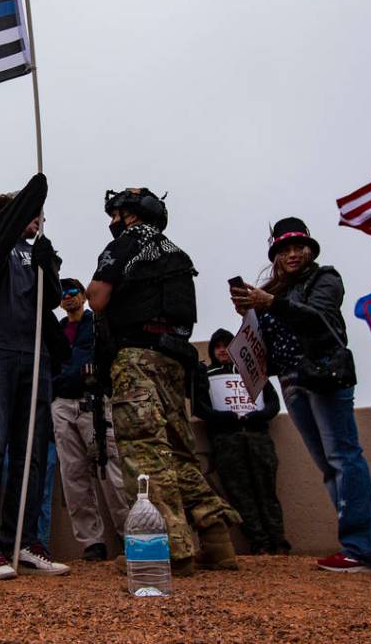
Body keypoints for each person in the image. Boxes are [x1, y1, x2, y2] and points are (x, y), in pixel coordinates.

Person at [87, 188, 241, 576]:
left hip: (135, 357)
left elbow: (98, 298)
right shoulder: (176, 253)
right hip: (173, 360)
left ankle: (170, 550)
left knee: (144, 450)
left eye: (117, 212)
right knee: (178, 450)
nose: (113, 219)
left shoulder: (127, 244)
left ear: (131, 215)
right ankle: (217, 539)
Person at [231, 216, 371, 573]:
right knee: (328, 465)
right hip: (292, 382)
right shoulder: (275, 292)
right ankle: (369, 540)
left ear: (309, 249)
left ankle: (364, 547)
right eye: (284, 249)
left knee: (344, 457)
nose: (291, 254)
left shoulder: (326, 278)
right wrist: (250, 314)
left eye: (297, 247)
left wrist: (269, 303)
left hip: (324, 375)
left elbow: (317, 317)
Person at [0, 173, 71, 580]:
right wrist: (33, 192)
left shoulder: (37, 248)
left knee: (32, 451)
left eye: (40, 215)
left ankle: (23, 540)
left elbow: (53, 298)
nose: (39, 221)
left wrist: (48, 264)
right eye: (32, 214)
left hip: (35, 354)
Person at [191, 328, 289, 555]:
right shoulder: (206, 375)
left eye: (227, 345)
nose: (223, 350)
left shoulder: (252, 372)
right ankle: (259, 541)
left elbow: (272, 403)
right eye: (218, 346)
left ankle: (278, 540)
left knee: (266, 490)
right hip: (227, 439)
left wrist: (257, 416)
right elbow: (200, 407)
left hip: (257, 437)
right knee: (239, 493)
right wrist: (224, 418)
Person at [51, 277, 129, 561]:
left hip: (93, 401)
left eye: (73, 292)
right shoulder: (56, 331)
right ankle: (91, 542)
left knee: (111, 472)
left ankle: (128, 535)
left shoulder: (97, 324)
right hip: (61, 403)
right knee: (73, 475)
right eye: (63, 295)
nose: (68, 298)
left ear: (83, 296)